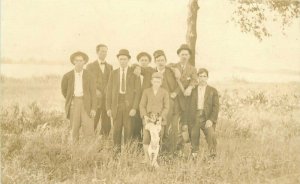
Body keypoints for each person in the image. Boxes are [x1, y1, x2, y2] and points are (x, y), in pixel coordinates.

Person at [106, 49, 140, 154]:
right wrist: (108, 108)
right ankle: (116, 153)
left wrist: (134, 108)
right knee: (116, 130)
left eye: (125, 59)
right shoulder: (113, 73)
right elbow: (109, 91)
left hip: (129, 106)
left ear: (128, 60)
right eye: (121, 59)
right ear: (118, 60)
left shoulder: (133, 72)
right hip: (117, 105)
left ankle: (127, 153)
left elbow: (138, 92)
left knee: (128, 130)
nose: (123, 61)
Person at [61, 51, 97, 143]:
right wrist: (72, 100)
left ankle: (90, 153)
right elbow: (65, 91)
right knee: (74, 130)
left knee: (89, 130)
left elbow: (93, 93)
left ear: (84, 62)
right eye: (77, 60)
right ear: (73, 62)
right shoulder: (67, 76)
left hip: (87, 104)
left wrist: (93, 108)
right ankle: (74, 153)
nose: (79, 63)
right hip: (74, 104)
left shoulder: (90, 75)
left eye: (81, 60)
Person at [168, 44, 198, 150]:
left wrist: (190, 87)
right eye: (182, 54)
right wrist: (174, 69)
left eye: (186, 54)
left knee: (184, 125)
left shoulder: (192, 69)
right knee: (173, 124)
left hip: (186, 100)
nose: (184, 56)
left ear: (189, 56)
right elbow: (165, 66)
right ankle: (170, 146)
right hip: (175, 99)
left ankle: (180, 148)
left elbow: (195, 80)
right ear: (178, 55)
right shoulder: (173, 65)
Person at [139, 72, 169, 166]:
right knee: (146, 138)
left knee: (156, 140)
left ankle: (154, 160)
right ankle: (147, 159)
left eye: (158, 81)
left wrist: (161, 117)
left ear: (161, 82)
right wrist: (145, 116)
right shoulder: (146, 91)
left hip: (159, 120)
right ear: (152, 81)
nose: (156, 83)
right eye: (155, 81)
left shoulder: (164, 92)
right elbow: (142, 105)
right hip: (148, 119)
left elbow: (166, 107)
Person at [189, 68, 219, 159]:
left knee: (211, 134)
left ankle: (212, 154)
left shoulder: (212, 90)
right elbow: (189, 105)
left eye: (204, 76)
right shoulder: (193, 90)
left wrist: (211, 120)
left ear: (207, 78)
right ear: (198, 77)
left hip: (207, 117)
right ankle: (194, 155)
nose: (202, 78)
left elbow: (216, 107)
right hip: (195, 116)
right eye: (200, 76)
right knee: (194, 134)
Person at [86, 44, 113, 136]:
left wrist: (108, 91)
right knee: (93, 121)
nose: (104, 53)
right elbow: (88, 82)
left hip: (106, 100)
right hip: (95, 100)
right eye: (102, 51)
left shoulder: (110, 67)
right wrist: (95, 91)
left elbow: (111, 82)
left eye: (105, 51)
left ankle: (103, 142)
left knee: (106, 124)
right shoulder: (90, 66)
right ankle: (89, 142)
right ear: (97, 52)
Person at [132, 52, 152, 144]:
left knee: (146, 126)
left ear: (149, 62)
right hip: (136, 103)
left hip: (147, 104)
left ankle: (146, 144)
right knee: (136, 126)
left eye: (146, 60)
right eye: (142, 60)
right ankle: (137, 145)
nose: (144, 62)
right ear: (139, 61)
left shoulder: (151, 71)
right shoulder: (134, 71)